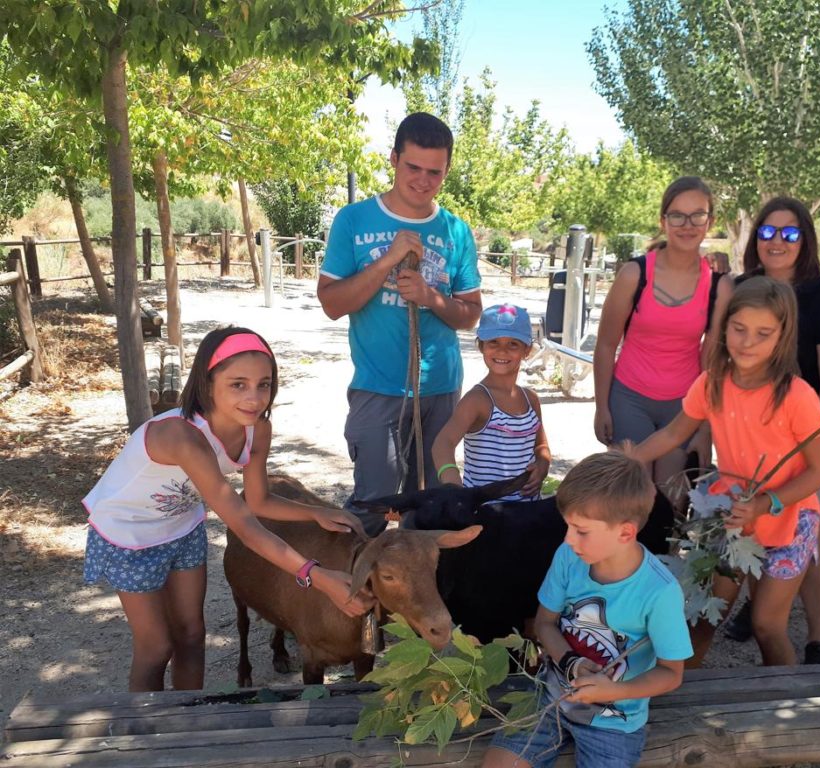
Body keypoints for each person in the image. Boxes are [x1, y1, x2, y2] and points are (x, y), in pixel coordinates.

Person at [83, 327, 374, 692]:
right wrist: (315, 575)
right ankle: (145, 736)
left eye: (263, 384)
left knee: (192, 635)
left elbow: (258, 501)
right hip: (129, 534)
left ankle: (188, 722)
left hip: (181, 527)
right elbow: (245, 524)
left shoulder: (257, 429)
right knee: (156, 647)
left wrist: (313, 512)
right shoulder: (182, 437)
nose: (253, 398)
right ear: (207, 384)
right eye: (238, 384)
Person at [631, 276, 820, 667]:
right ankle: (681, 698)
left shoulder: (797, 396)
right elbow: (675, 431)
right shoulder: (711, 384)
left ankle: (785, 706)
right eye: (739, 329)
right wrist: (631, 459)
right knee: (704, 616)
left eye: (763, 333)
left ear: (782, 335)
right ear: (724, 327)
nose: (747, 342)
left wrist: (766, 502)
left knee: (766, 625)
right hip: (731, 515)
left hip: (790, 518)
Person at [317, 112, 483, 534]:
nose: (423, 180)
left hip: (441, 389)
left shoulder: (456, 231)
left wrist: (429, 297)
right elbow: (332, 303)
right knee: (373, 506)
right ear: (393, 159)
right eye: (413, 167)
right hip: (378, 387)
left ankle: (414, 599)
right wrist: (386, 262)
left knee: (428, 512)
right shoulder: (353, 220)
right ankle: (355, 597)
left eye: (435, 172)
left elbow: (470, 314)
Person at [482, 451, 691, 768]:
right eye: (567, 525)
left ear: (625, 532)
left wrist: (617, 689)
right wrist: (572, 662)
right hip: (548, 700)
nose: (568, 538)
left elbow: (671, 673)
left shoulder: (659, 591)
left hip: (614, 721)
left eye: (581, 530)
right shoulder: (569, 556)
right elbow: (544, 623)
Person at [724, 197, 820, 665]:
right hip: (749, 445)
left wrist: (804, 443)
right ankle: (764, 610)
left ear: (806, 241)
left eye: (790, 234)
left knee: (810, 539)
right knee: (758, 528)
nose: (778, 241)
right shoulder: (739, 289)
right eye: (768, 232)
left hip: (805, 440)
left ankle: (817, 641)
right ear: (755, 238)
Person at [593, 176, 733, 485]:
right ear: (663, 220)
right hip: (629, 398)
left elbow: (712, 362)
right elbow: (605, 345)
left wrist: (704, 428)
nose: (687, 224)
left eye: (697, 214)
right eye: (677, 215)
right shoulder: (634, 274)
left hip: (684, 405)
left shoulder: (719, 286)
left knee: (671, 506)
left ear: (710, 221)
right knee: (631, 501)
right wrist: (601, 406)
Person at [431, 303, 550, 502]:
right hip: (487, 514)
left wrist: (543, 464)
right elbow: (443, 443)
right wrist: (454, 486)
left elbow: (541, 446)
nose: (502, 351)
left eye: (513, 344)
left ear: (527, 350)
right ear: (481, 346)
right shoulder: (477, 400)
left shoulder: (531, 399)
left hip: (528, 512)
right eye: (493, 342)